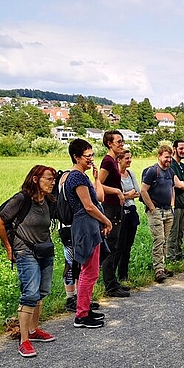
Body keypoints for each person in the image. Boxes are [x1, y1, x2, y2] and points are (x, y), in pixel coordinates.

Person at [0, 165, 58, 358]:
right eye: (48, 179)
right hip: (25, 251)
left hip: (45, 250)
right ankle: (24, 340)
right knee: (30, 294)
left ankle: (33, 330)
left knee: (41, 292)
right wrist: (9, 248)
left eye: (53, 179)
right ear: (35, 179)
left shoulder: (47, 200)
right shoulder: (20, 199)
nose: (52, 182)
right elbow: (0, 222)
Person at [63, 139, 112, 328]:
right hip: (85, 225)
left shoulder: (82, 176)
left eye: (92, 155)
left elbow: (97, 199)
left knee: (91, 271)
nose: (91, 159)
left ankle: (85, 308)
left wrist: (96, 178)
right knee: (89, 271)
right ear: (76, 157)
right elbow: (89, 206)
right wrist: (106, 220)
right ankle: (81, 315)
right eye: (87, 156)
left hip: (88, 224)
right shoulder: (76, 177)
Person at [98, 130, 130, 298]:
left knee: (115, 246)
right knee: (110, 247)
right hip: (109, 208)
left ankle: (113, 281)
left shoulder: (113, 161)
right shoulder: (108, 161)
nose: (121, 144)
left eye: (122, 141)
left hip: (116, 207)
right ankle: (110, 286)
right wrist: (117, 191)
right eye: (118, 141)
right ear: (109, 143)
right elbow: (97, 184)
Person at [140, 145, 176, 283]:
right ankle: (158, 270)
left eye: (170, 157)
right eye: (166, 157)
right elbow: (143, 190)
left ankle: (162, 265)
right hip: (156, 211)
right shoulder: (152, 171)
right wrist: (152, 208)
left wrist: (172, 204)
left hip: (168, 210)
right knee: (159, 240)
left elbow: (172, 188)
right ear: (159, 156)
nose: (168, 159)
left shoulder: (170, 172)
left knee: (165, 240)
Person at [167, 139, 184, 262]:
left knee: (181, 231)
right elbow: (178, 185)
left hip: (183, 203)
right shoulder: (171, 165)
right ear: (174, 149)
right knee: (173, 231)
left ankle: (178, 253)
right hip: (173, 203)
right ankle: (170, 256)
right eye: (181, 149)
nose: (183, 151)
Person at [116, 149, 141, 282]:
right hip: (121, 213)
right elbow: (117, 197)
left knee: (128, 246)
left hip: (131, 212)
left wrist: (125, 195)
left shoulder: (130, 174)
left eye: (130, 158)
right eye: (127, 158)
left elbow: (137, 192)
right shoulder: (116, 175)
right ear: (119, 159)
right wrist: (128, 195)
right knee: (119, 246)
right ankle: (113, 274)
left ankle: (123, 274)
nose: (129, 160)